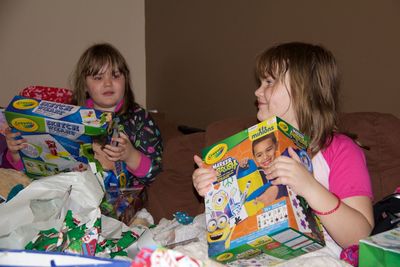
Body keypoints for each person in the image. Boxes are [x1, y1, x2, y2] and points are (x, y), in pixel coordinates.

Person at [192, 42, 374, 257]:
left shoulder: (340, 150)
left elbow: (359, 238)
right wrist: (213, 189)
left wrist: (309, 186)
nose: (257, 91)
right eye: (261, 82)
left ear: (304, 91)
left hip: (315, 257)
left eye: (269, 82)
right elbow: (234, 217)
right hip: (251, 253)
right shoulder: (249, 149)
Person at [4, 43, 163, 224]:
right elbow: (35, 172)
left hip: (123, 206)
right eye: (98, 77)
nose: (108, 82)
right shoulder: (68, 117)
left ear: (125, 79)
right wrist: (17, 152)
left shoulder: (138, 119)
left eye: (116, 75)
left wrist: (130, 155)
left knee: (140, 223)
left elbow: (156, 174)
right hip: (72, 202)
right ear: (85, 85)